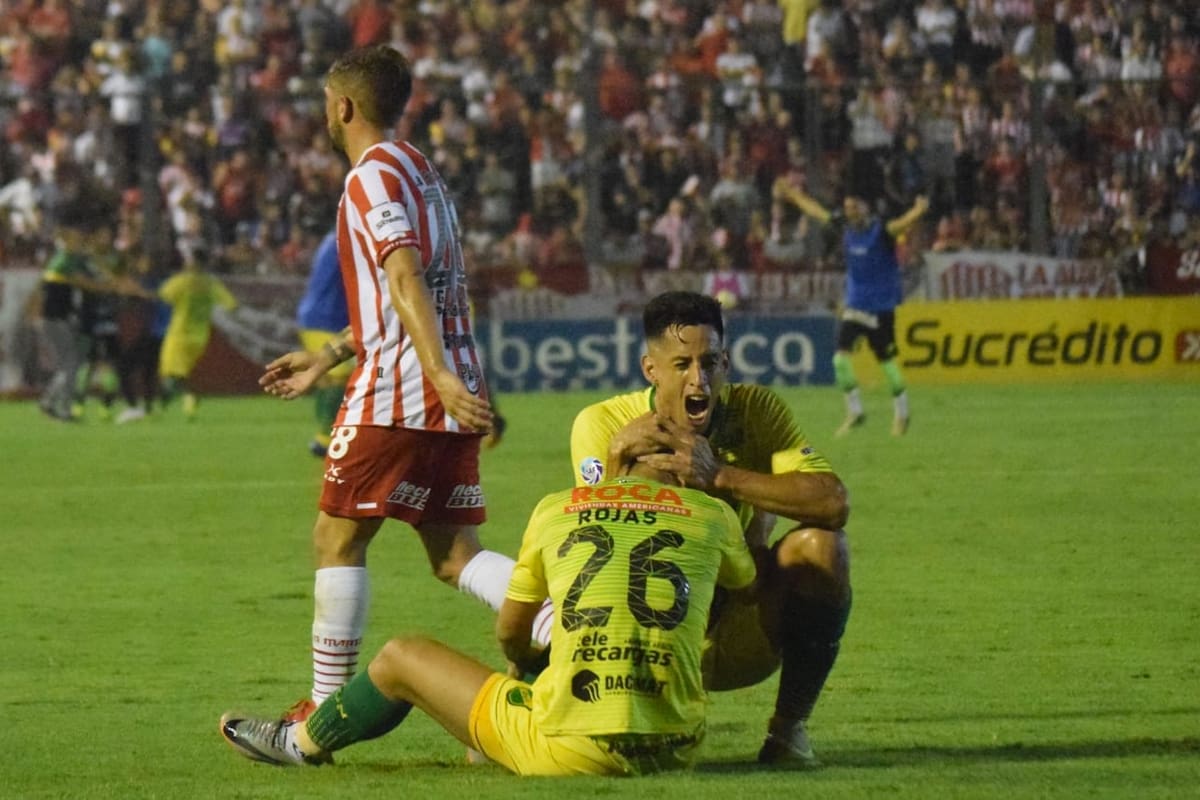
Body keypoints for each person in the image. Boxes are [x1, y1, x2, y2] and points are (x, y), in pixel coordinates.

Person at [255, 45, 546, 721]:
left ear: (345, 106)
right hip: (441, 385)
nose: (325, 118)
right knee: (453, 556)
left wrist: (435, 374)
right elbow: (410, 291)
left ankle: (326, 710)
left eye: (327, 106)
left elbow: (406, 276)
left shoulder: (369, 178)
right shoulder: (419, 169)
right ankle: (565, 628)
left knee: (337, 539)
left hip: (403, 388)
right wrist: (329, 355)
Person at [220, 459, 756, 776]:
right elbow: (743, 588)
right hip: (678, 746)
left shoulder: (560, 508)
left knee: (400, 657)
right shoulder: (713, 516)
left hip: (571, 750)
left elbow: (512, 629)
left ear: (612, 460)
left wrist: (523, 662)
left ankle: (300, 744)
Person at [570, 291, 850, 766]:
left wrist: (721, 476)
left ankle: (788, 732)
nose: (699, 379)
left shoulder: (758, 413)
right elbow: (584, 546)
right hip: (644, 643)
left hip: (740, 624)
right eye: (681, 364)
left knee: (823, 547)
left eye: (710, 361)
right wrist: (618, 463)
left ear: (727, 361)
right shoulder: (605, 425)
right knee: (552, 584)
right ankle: (532, 704)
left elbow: (832, 501)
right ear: (650, 370)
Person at [774, 181, 929, 436]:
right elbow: (815, 211)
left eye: (855, 206)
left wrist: (918, 211)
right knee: (839, 360)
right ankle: (855, 411)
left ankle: (902, 413)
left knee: (887, 363)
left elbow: (901, 225)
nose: (850, 211)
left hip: (881, 308)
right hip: (855, 305)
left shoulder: (881, 231)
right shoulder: (844, 228)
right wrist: (792, 194)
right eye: (847, 207)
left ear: (865, 207)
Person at [157, 246, 239, 420]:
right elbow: (232, 304)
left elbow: (164, 294)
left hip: (179, 333)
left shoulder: (183, 281)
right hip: (200, 336)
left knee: (171, 374)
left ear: (193, 261)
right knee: (179, 374)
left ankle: (186, 399)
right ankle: (173, 404)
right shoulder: (211, 283)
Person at [294, 229, 351, 457]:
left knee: (328, 380)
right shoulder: (347, 239)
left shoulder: (334, 237)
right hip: (326, 319)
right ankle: (325, 439)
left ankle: (325, 436)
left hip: (317, 317)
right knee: (340, 377)